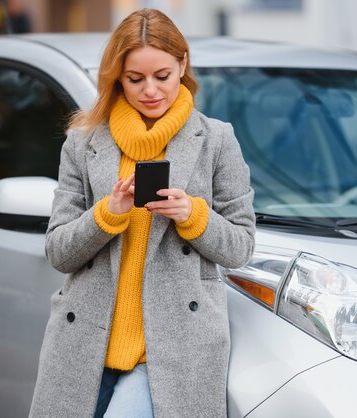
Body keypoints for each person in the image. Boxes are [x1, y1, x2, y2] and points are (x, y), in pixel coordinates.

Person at [29, 8, 255, 418]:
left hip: (171, 352)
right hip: (85, 344)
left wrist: (193, 214)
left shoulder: (217, 140)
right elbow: (58, 252)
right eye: (135, 79)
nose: (150, 90)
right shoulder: (83, 144)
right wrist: (107, 214)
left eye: (162, 76)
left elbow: (241, 246)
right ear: (117, 76)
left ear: (182, 65)